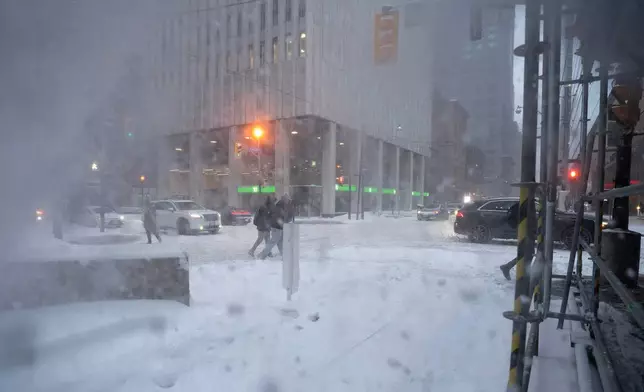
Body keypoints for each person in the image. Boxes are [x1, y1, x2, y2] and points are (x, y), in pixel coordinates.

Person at [500, 201, 536, 280]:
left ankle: (507, 267)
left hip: (526, 231)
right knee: (528, 253)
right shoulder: (528, 202)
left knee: (526, 253)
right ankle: (525, 274)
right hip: (526, 231)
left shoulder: (527, 201)